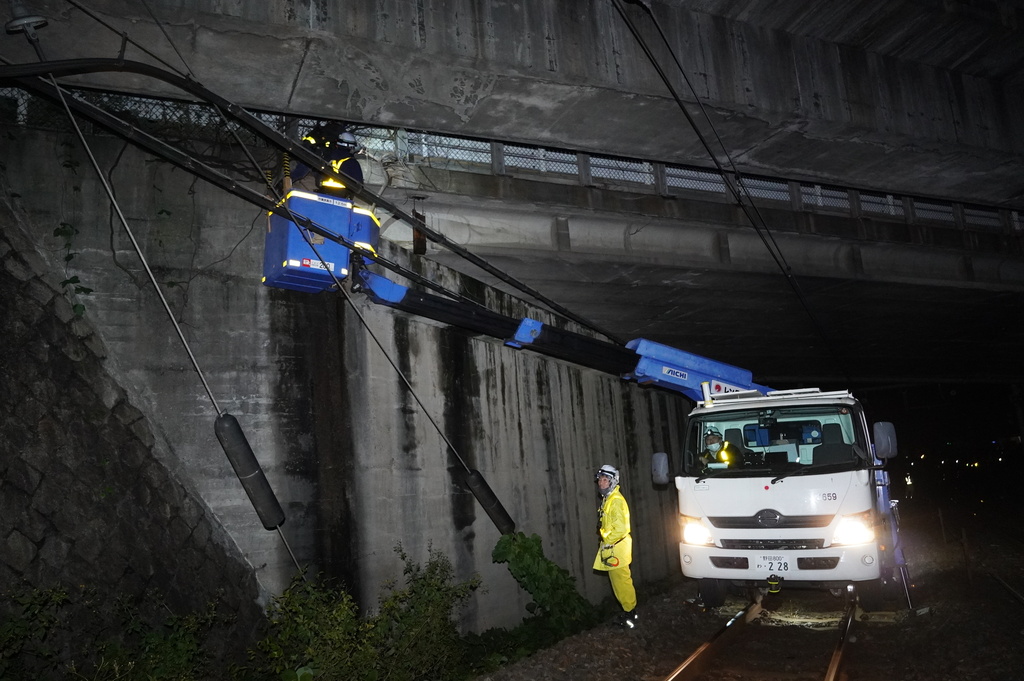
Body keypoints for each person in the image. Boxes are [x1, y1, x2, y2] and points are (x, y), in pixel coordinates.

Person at [593, 464, 638, 628]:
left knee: (622, 583)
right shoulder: (609, 499)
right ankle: (629, 611)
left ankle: (630, 615)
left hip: (616, 549)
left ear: (612, 481)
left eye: (605, 480)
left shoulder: (616, 501)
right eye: (600, 479)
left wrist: (608, 541)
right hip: (614, 549)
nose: (601, 483)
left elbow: (621, 529)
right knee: (619, 583)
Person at [290, 123, 364, 198]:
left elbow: (305, 170)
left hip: (323, 192)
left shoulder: (326, 156)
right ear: (351, 147)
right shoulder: (351, 163)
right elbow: (359, 186)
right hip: (341, 196)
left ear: (336, 144)